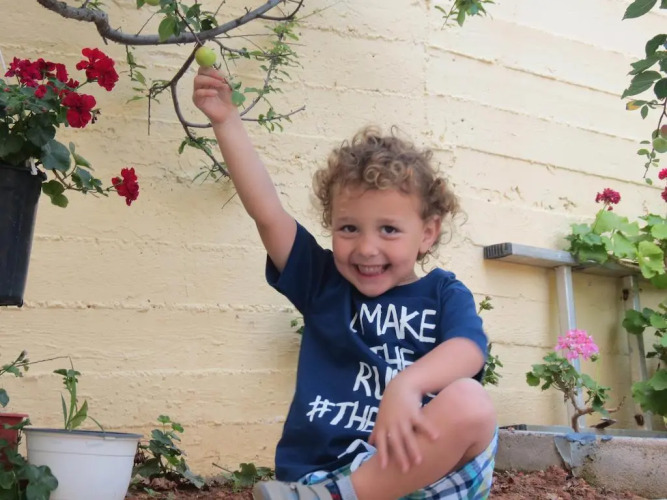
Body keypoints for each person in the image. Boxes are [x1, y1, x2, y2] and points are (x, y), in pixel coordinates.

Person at [193, 66, 497, 500]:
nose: (367, 248)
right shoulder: (322, 283)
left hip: (414, 473)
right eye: (349, 228)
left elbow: (468, 350)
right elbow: (268, 213)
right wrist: (226, 121)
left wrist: (407, 384)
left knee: (471, 401)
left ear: (427, 233)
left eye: (389, 230)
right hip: (324, 477)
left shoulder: (443, 293)